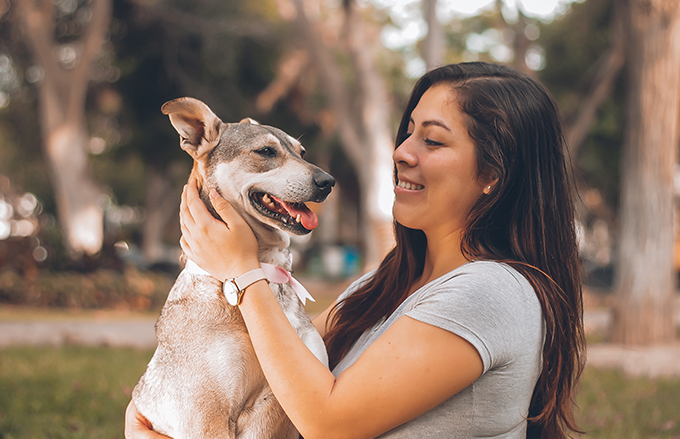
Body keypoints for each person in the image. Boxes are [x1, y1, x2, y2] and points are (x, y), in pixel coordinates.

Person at [125, 62, 585, 439]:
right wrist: (150, 414)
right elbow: (269, 361)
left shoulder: (490, 293)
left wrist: (243, 269)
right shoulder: (382, 284)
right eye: (407, 133)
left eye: (433, 139)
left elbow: (328, 423)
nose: (402, 152)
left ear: (494, 176)